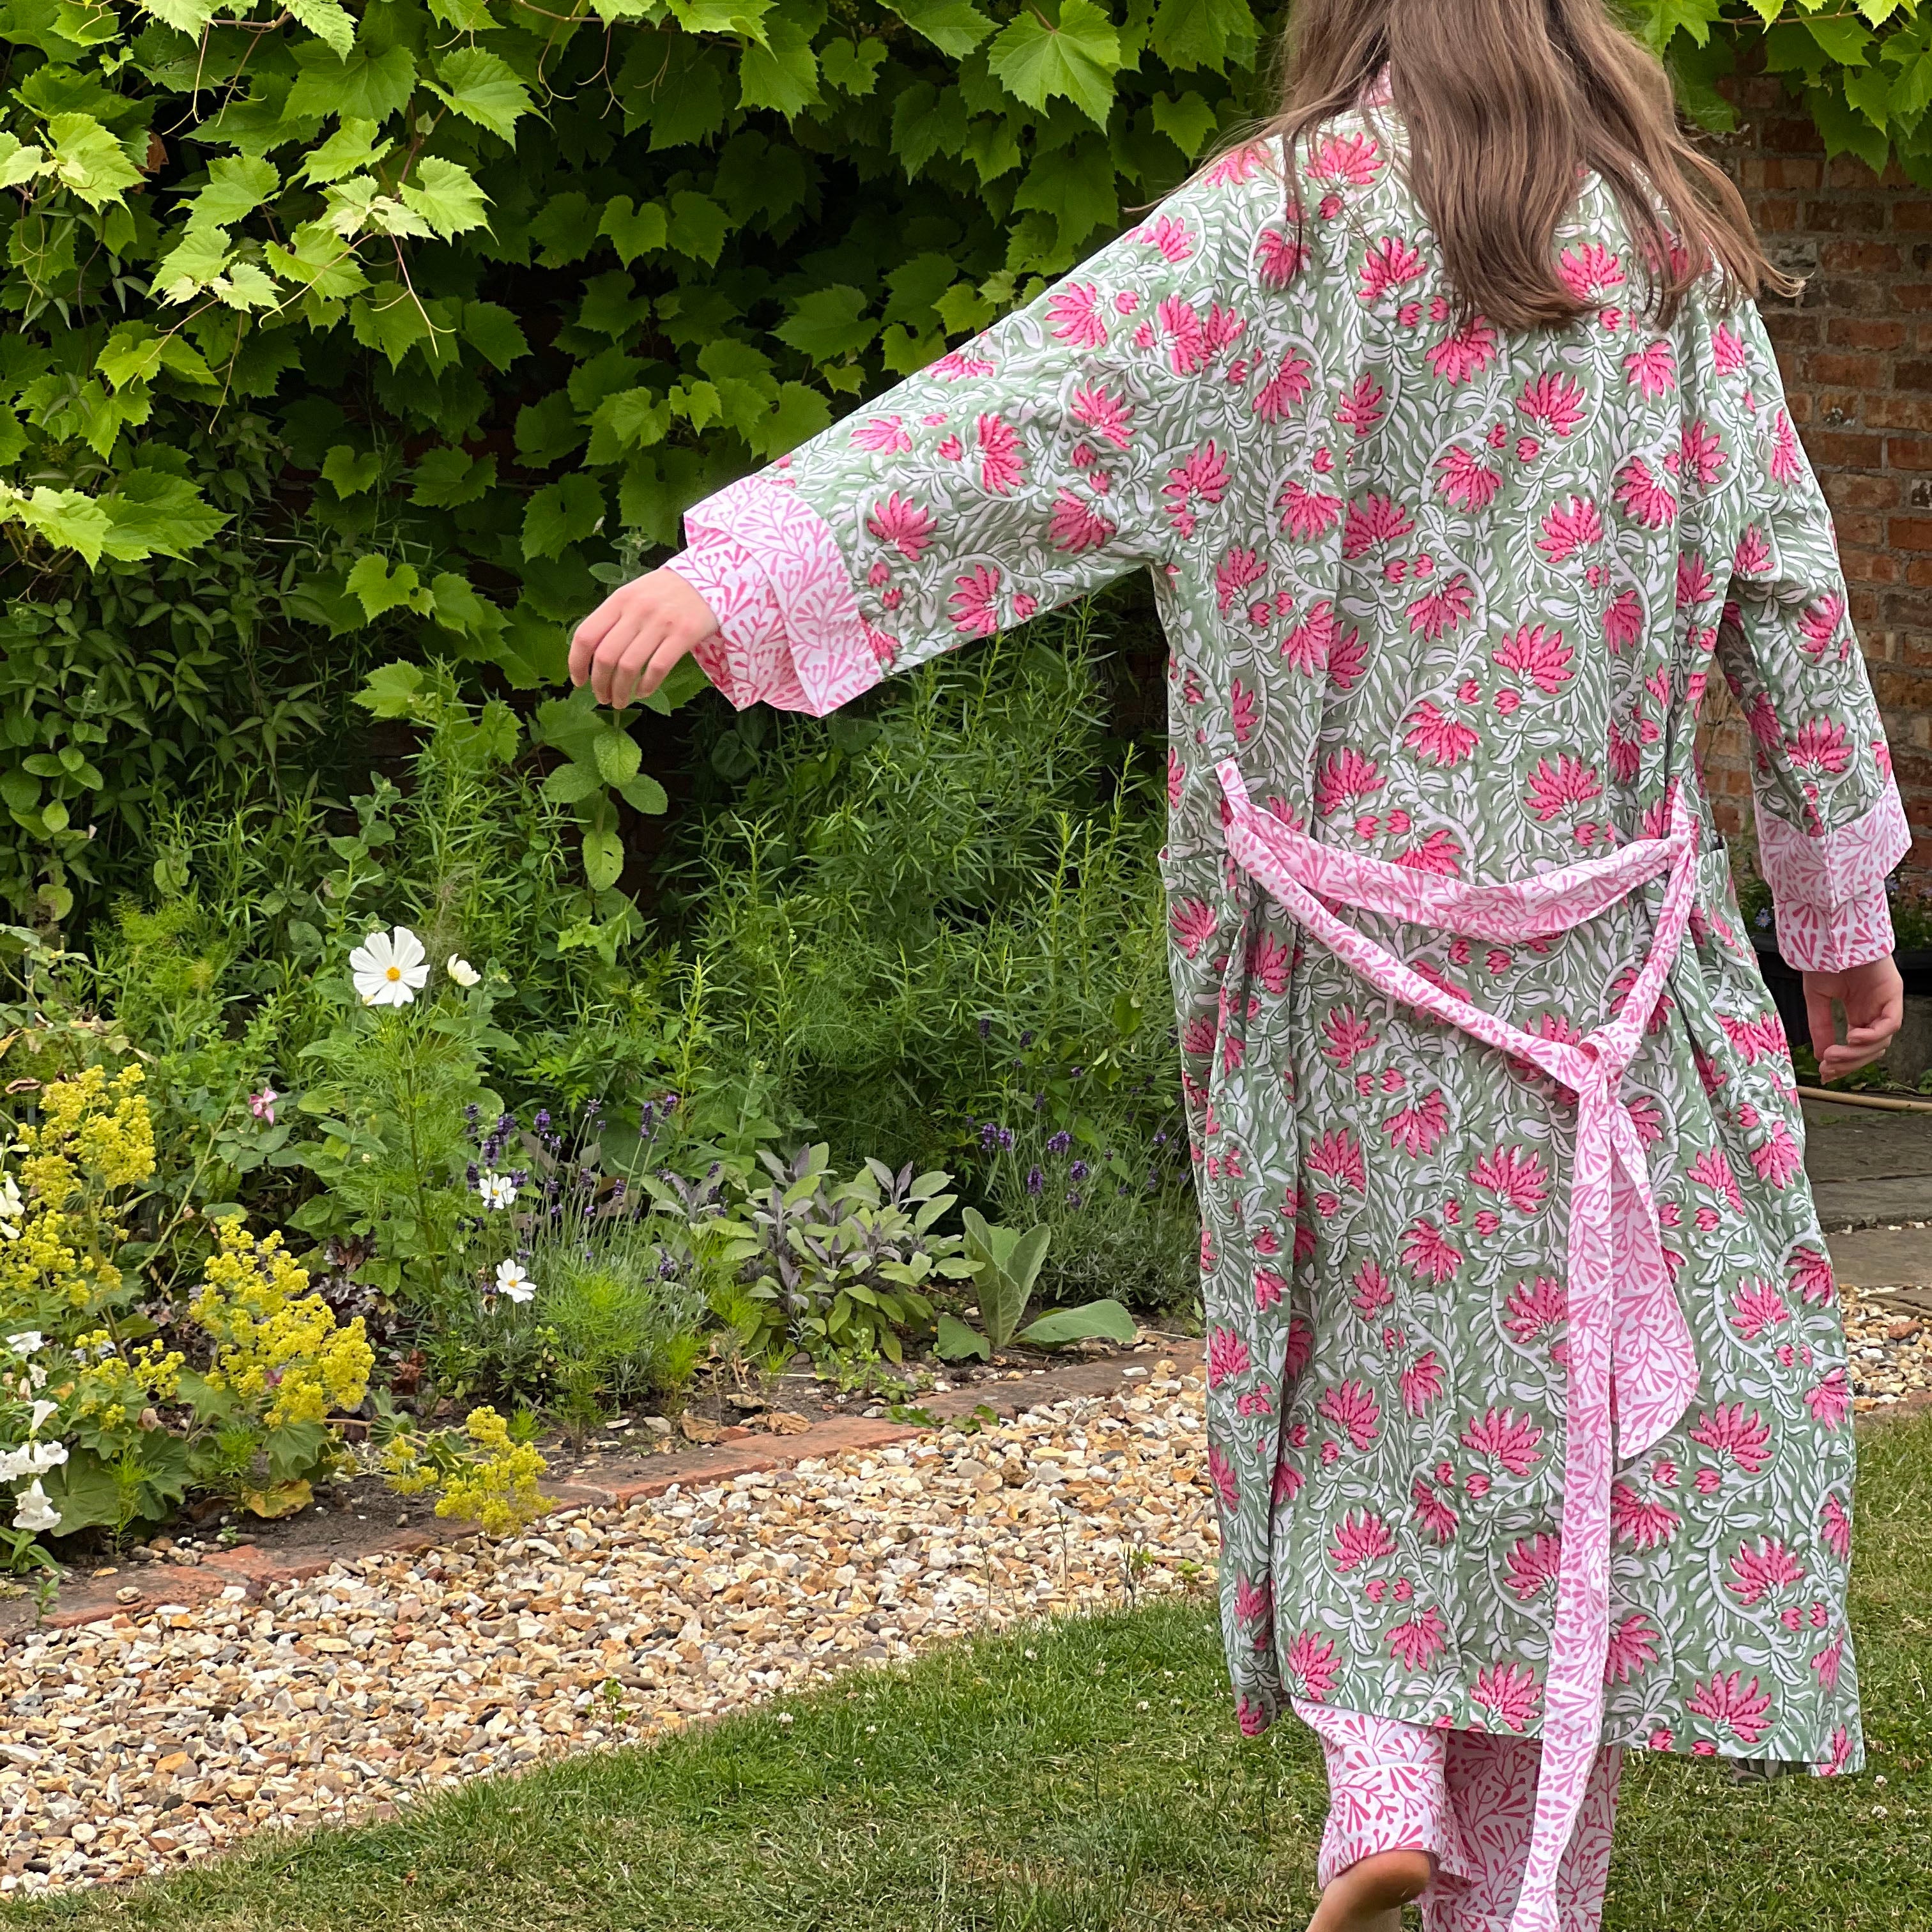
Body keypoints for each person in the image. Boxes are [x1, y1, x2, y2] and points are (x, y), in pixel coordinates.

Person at [570, 0, 1910, 1924]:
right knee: (1576, 1426)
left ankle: (1379, 1785)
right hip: (1605, 969)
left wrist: (739, 570)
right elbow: (1787, 580)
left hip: (1349, 986)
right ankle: (1523, 1898)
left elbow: (1019, 412)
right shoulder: (1671, 245)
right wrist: (1839, 918)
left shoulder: (1272, 226)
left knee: (1363, 1385)